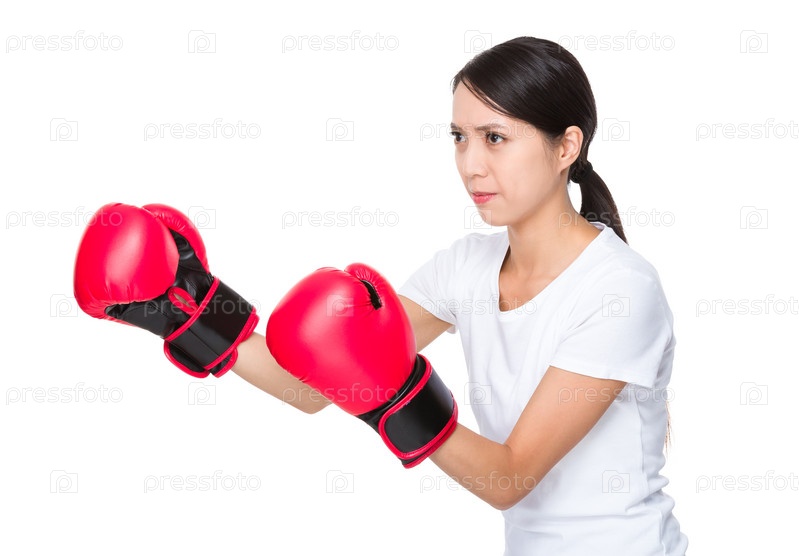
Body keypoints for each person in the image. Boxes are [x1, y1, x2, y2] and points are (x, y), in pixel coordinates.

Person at [74, 36, 687, 556]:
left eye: (495, 137)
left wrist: (395, 391)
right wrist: (190, 309)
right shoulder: (466, 267)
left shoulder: (619, 291)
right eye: (459, 136)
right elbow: (310, 388)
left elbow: (510, 476)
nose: (470, 164)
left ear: (566, 147)